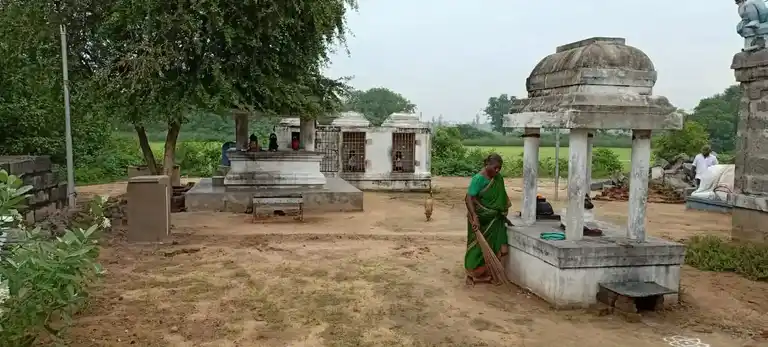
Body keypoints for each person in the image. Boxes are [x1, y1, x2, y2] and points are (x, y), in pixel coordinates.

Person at [465, 153, 511, 284]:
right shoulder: (478, 179)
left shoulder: (498, 178)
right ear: (487, 165)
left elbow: (502, 198)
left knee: (496, 246)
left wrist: (503, 214)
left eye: (499, 168)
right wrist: (475, 217)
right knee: (476, 247)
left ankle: (489, 274)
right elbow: (468, 198)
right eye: (495, 167)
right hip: (480, 219)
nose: (497, 171)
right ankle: (471, 275)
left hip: (495, 220)